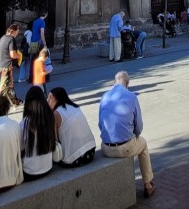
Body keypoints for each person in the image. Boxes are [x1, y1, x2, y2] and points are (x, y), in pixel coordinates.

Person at [99, 70, 155, 198]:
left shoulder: (104, 97)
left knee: (131, 140)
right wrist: (134, 135)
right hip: (125, 147)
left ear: (114, 83)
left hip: (106, 147)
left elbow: (100, 124)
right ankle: (148, 185)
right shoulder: (131, 97)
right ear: (127, 84)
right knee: (143, 144)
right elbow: (139, 126)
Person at [48, 87, 96, 168]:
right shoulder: (74, 106)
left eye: (50, 97)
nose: (47, 101)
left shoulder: (56, 114)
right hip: (91, 151)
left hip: (75, 159)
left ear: (58, 99)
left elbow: (53, 139)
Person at [19, 87, 58, 181]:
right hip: (48, 168)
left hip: (30, 172)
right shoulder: (50, 117)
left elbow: (20, 148)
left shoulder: (25, 122)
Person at [0, 23, 22, 106]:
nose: (18, 33)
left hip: (1, 64)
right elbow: (12, 55)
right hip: (7, 66)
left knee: (9, 85)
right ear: (13, 31)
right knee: (3, 86)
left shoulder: (2, 38)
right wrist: (19, 55)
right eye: (17, 31)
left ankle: (15, 102)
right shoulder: (11, 39)